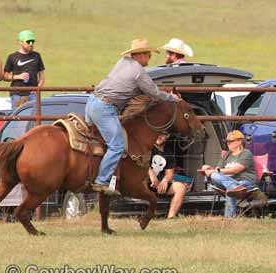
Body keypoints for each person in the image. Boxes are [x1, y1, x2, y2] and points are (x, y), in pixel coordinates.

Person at [85, 38, 178, 194]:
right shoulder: (139, 73)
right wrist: (172, 98)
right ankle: (101, 180)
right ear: (140, 55)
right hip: (105, 108)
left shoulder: (122, 62)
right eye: (148, 54)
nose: (149, 57)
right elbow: (154, 93)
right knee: (117, 145)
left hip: (92, 103)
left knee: (96, 141)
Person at [200, 130, 257, 217]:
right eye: (227, 142)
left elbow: (235, 170)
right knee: (214, 176)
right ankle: (234, 187)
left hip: (245, 183)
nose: (227, 144)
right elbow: (218, 170)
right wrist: (209, 168)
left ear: (239, 142)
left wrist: (215, 171)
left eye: (230, 141)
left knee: (229, 188)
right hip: (233, 184)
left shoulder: (246, 153)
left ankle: (229, 217)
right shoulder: (227, 155)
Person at [148, 133, 189, 218]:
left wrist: (165, 180)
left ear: (168, 136)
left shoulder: (168, 152)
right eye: (157, 132)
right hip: (144, 183)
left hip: (160, 185)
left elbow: (170, 173)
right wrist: (152, 176)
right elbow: (142, 164)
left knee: (181, 187)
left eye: (163, 134)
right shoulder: (147, 148)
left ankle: (171, 217)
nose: (159, 135)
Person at [3, 30, 46, 109]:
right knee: (18, 118)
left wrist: (37, 90)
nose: (31, 44)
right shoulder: (12, 57)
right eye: (28, 41)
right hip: (17, 94)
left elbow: (42, 76)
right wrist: (17, 77)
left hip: (33, 94)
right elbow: (5, 76)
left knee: (34, 119)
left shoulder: (37, 56)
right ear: (21, 42)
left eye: (33, 41)